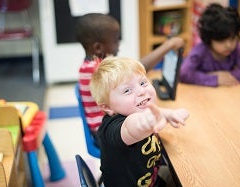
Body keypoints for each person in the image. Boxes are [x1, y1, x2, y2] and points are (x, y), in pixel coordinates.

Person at [90, 56, 189, 187]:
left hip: (151, 181)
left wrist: (168, 114)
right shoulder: (113, 129)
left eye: (143, 82)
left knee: (189, 174)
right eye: (127, 91)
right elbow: (131, 127)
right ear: (107, 107)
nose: (141, 91)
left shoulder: (135, 111)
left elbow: (151, 115)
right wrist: (146, 123)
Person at [76, 13, 185, 143]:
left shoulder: (94, 64)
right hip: (106, 134)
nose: (119, 45)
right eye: (116, 40)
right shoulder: (94, 70)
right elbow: (139, 68)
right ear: (98, 47)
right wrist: (168, 45)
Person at [179, 3, 240, 87]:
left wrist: (226, 76)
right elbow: (184, 73)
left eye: (232, 38)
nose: (229, 45)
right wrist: (214, 78)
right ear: (209, 38)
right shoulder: (200, 50)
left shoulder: (237, 48)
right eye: (221, 41)